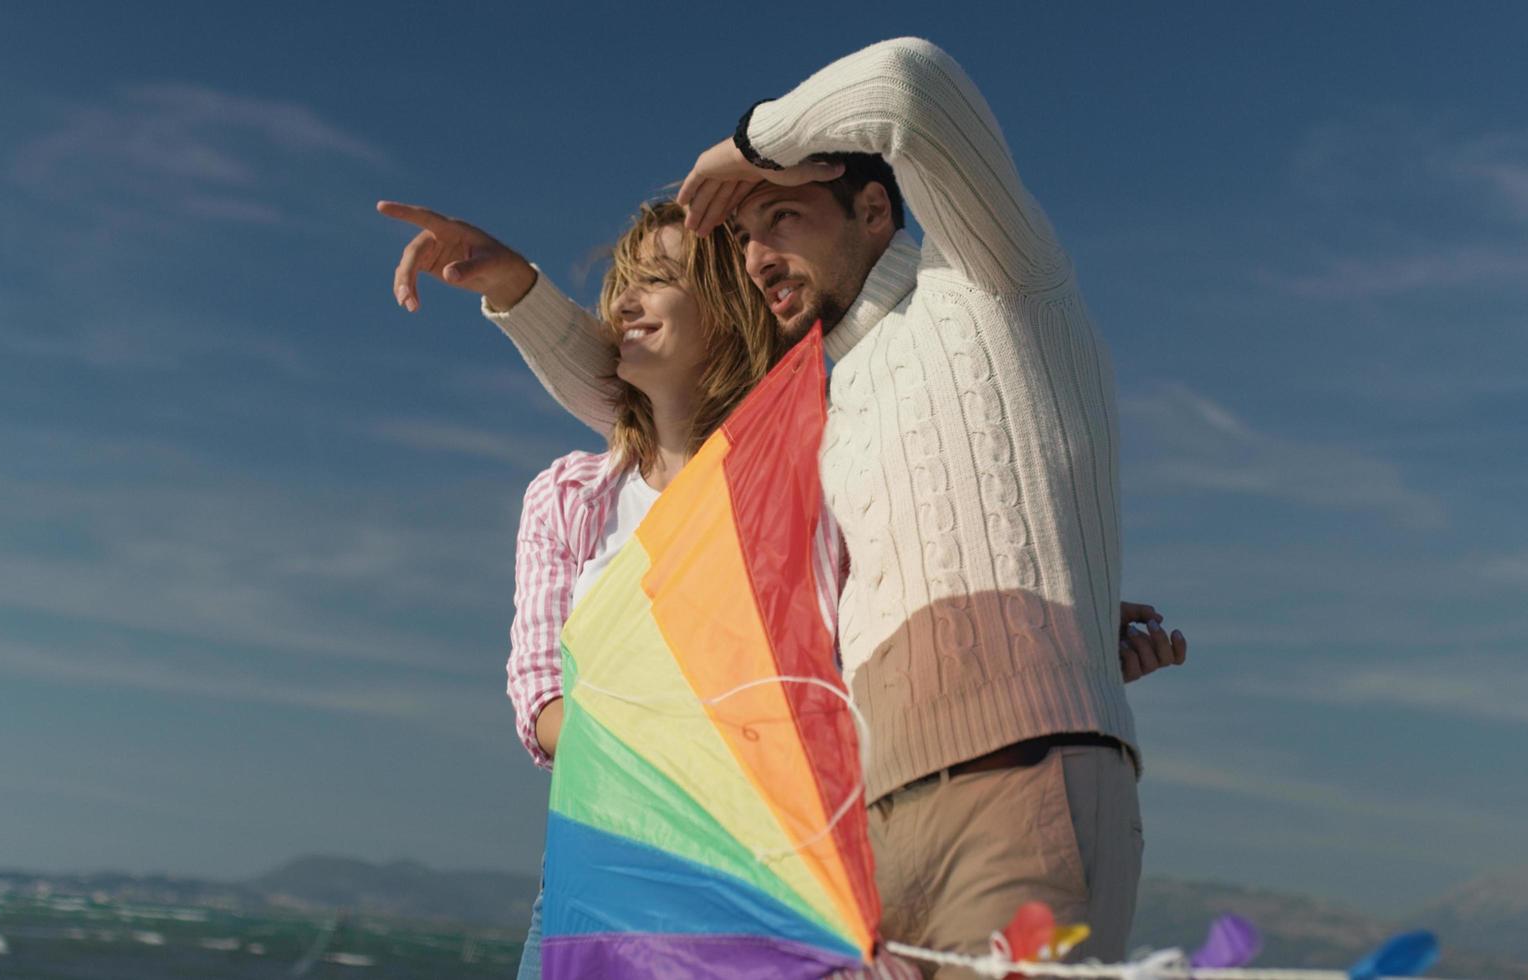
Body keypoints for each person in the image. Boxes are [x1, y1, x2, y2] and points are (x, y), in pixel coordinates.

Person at [413, 38, 1182, 974]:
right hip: (862, 825)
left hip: (1012, 767)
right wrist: (519, 292)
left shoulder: (985, 281)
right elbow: (653, 411)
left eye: (781, 217)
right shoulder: (814, 404)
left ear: (872, 209)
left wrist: (746, 149)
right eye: (743, 240)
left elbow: (913, 84)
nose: (760, 253)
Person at [378, 199, 828, 977]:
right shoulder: (571, 497)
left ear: (729, 307)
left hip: (766, 878)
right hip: (599, 882)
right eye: (621, 284)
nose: (624, 301)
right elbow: (540, 699)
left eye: (658, 279)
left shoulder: (804, 475)